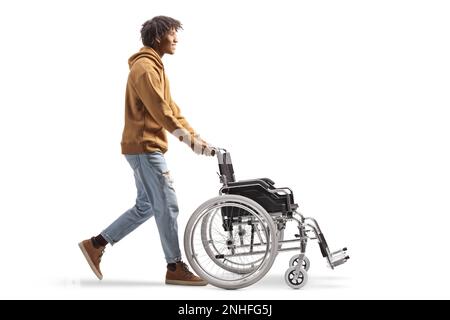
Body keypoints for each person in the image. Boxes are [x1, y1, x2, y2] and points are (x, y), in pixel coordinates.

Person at [79, 16, 215, 286]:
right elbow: (162, 113)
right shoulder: (144, 68)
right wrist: (189, 142)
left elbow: (172, 109)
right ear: (157, 37)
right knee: (167, 204)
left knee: (146, 206)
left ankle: (95, 244)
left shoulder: (155, 67)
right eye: (172, 34)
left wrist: (198, 139)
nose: (176, 39)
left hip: (144, 147)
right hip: (145, 147)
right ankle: (174, 266)